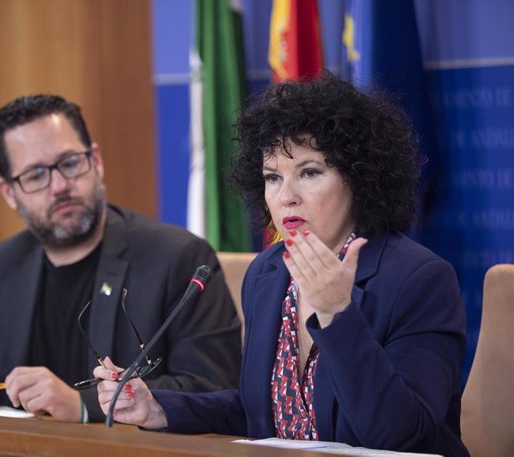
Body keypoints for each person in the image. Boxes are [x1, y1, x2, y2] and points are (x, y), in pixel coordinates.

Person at [95, 73, 469, 456]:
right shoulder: (269, 273)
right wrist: (158, 406)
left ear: (359, 178)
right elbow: (263, 413)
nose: (285, 196)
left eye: (309, 173)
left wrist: (337, 315)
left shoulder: (418, 279)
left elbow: (405, 436)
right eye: (272, 178)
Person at [0, 94, 242, 422]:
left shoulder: (177, 258)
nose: (59, 186)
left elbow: (214, 389)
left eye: (70, 163)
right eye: (36, 175)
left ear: (96, 161)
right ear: (9, 192)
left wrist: (82, 406)